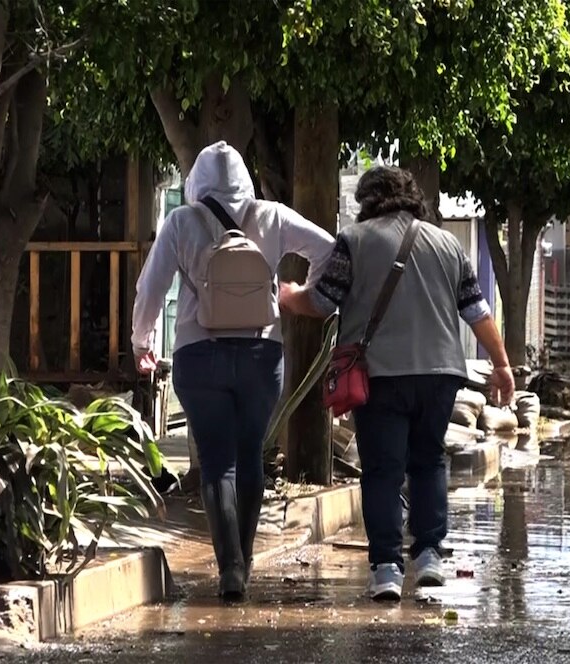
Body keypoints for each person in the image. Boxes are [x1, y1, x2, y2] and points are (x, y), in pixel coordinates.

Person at [279, 166, 513, 601]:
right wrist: (501, 364)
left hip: (380, 375)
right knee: (429, 461)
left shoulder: (354, 240)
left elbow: (323, 302)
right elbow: (477, 311)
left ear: (368, 201)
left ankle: (386, 568)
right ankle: (428, 556)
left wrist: (290, 296)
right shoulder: (448, 244)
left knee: (383, 471)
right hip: (440, 375)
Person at [131, 141, 335, 601]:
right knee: (250, 456)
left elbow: (151, 287)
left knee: (216, 462)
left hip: (198, 354)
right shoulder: (272, 216)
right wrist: (302, 297)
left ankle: (231, 569)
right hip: (263, 355)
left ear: (196, 182)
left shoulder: (181, 222)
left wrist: (142, 342)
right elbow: (331, 250)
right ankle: (242, 562)